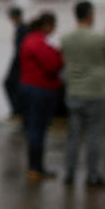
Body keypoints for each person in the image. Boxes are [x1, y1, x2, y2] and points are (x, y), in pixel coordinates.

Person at [60, 0, 105, 187]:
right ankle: (92, 175)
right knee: (94, 136)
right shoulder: (100, 38)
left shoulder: (66, 38)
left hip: (74, 91)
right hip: (97, 92)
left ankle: (69, 173)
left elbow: (63, 59)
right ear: (90, 14)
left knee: (73, 136)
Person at [18, 12, 62, 180]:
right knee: (38, 129)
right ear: (47, 25)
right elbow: (52, 65)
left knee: (35, 129)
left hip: (30, 88)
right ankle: (35, 167)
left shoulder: (30, 39)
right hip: (39, 90)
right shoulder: (38, 41)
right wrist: (60, 55)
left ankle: (36, 166)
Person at [2, 6, 29, 118]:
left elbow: (21, 49)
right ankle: (17, 109)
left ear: (16, 17)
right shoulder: (21, 28)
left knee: (9, 84)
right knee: (12, 85)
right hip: (19, 62)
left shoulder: (22, 29)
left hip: (20, 63)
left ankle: (17, 109)